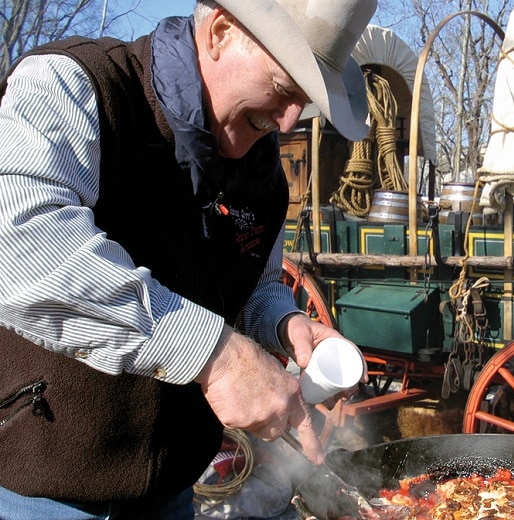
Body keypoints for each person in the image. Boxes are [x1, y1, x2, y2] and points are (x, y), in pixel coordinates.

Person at [0, 0, 376, 518]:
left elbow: (251, 285)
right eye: (285, 89)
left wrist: (283, 322)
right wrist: (216, 357)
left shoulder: (262, 175)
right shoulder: (73, 84)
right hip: (45, 489)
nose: (289, 122)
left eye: (305, 102)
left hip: (175, 488)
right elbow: (25, 251)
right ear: (221, 32)